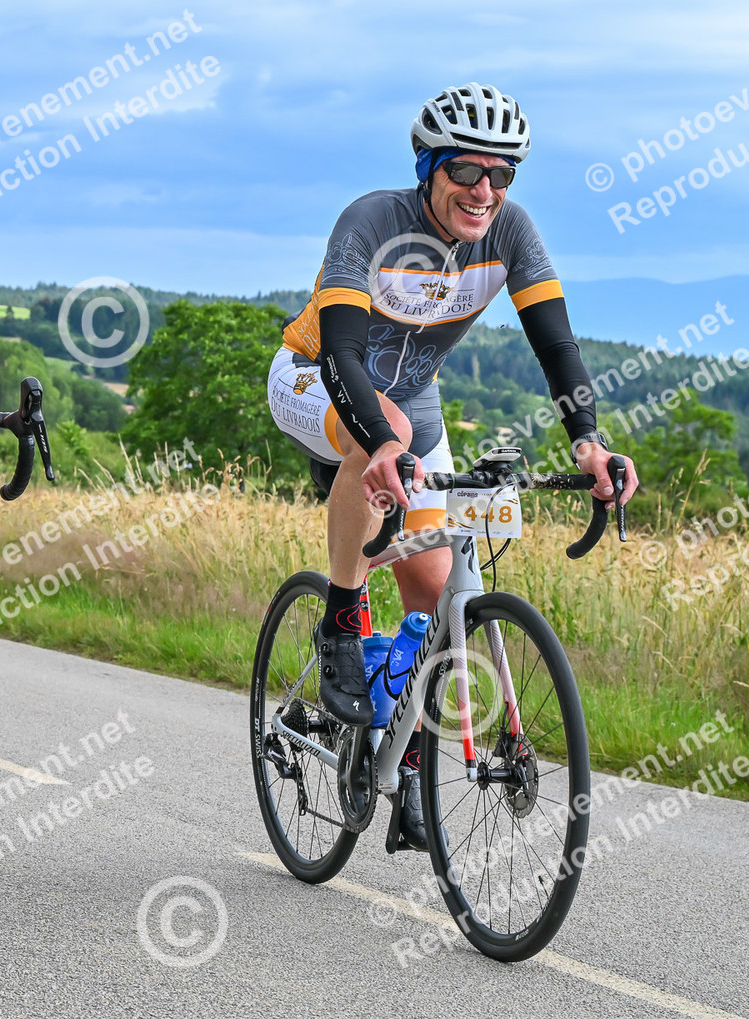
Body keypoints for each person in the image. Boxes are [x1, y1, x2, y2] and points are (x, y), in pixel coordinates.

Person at [266, 83, 639, 848]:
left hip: (413, 401)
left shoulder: (511, 232)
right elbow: (342, 351)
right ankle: (341, 621)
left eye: (502, 175)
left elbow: (556, 344)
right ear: (428, 168)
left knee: (438, 595)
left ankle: (402, 763)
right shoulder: (371, 221)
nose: (484, 190)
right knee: (391, 428)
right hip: (312, 376)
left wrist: (589, 443)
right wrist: (380, 439)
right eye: (467, 170)